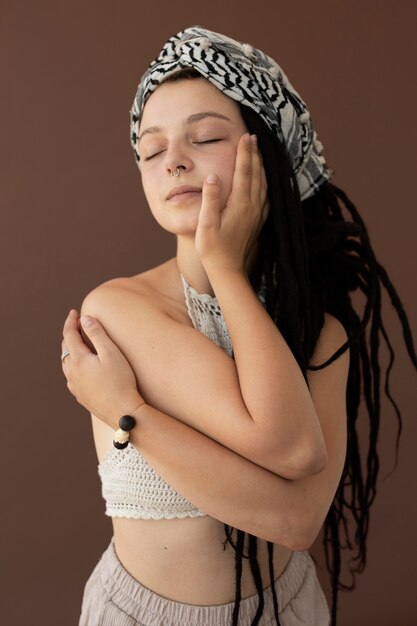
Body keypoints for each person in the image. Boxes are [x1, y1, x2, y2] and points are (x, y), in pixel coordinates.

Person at [60, 26, 417, 626]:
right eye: (150, 150)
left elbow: (296, 516)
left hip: (286, 609)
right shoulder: (117, 310)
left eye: (203, 137)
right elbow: (287, 447)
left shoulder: (316, 329)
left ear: (268, 155)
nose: (172, 159)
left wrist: (132, 414)